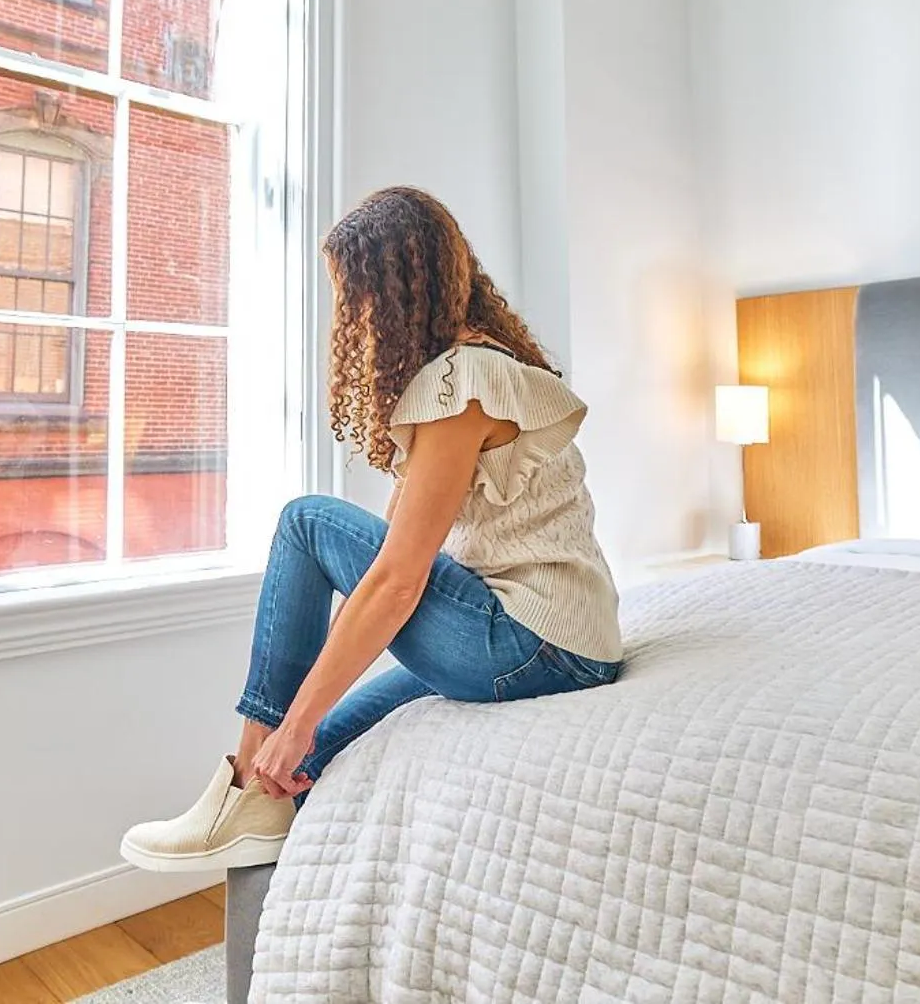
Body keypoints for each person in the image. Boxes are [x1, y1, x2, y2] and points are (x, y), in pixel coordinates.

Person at [120, 186, 623, 874]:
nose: (350, 320)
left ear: (388, 293)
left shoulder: (461, 382)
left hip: (532, 643)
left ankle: (239, 785)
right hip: (563, 646)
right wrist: (303, 725)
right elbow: (388, 563)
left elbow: (397, 577)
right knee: (321, 749)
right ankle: (263, 828)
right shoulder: (472, 370)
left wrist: (286, 725)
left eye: (352, 297)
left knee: (305, 523)